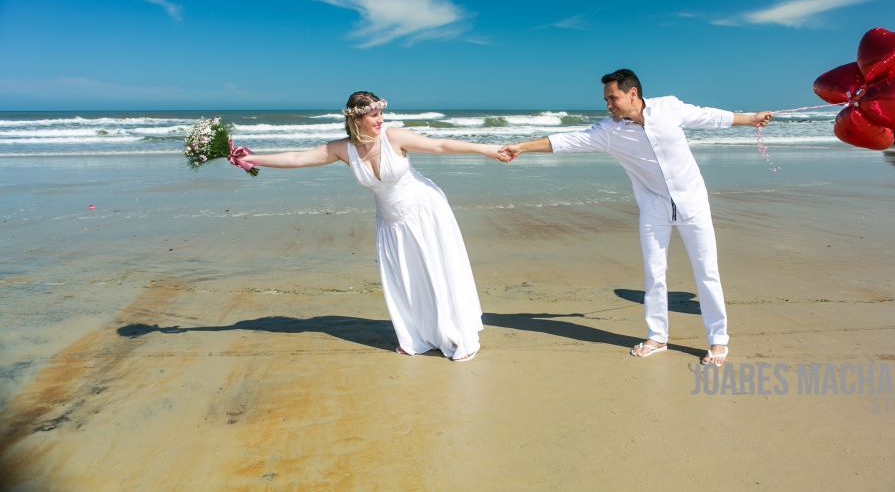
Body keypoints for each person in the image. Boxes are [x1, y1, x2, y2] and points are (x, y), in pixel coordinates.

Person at [499, 69, 772, 366]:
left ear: (632, 94)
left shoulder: (668, 107)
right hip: (653, 208)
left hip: (693, 204)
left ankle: (718, 341)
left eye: (612, 98)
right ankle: (657, 337)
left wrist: (750, 118)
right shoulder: (608, 132)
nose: (608, 105)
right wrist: (522, 147)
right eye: (606, 100)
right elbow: (566, 140)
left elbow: (709, 117)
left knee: (706, 271)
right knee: (654, 273)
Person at [239, 91, 503, 362]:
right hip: (391, 222)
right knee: (406, 280)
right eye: (373, 115)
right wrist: (254, 159)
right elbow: (298, 158)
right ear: (357, 118)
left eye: (380, 113)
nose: (380, 119)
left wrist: (487, 150)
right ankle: (419, 336)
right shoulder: (345, 149)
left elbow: (439, 146)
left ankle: (455, 334)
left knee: (434, 270)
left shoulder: (393, 137)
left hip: (425, 211)